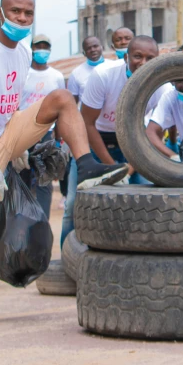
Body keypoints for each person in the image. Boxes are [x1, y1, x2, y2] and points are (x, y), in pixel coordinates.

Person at [0, 0, 127, 324]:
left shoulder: (22, 53)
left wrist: (20, 147)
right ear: (0, 13)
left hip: (7, 132)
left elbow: (12, 104)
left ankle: (87, 166)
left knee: (62, 97)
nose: (22, 18)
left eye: (28, 13)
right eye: (15, 11)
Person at [81, 35, 169, 184]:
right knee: (75, 202)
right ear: (126, 57)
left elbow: (156, 132)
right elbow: (87, 123)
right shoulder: (103, 75)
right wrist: (113, 169)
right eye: (137, 56)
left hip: (135, 143)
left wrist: (131, 167)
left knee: (147, 196)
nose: (143, 63)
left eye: (150, 58)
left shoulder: (162, 88)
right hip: (97, 140)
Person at [60, 36, 108, 238]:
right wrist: (68, 140)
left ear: (102, 47)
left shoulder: (112, 70)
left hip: (109, 137)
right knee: (72, 202)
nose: (93, 50)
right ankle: (66, 254)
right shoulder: (77, 74)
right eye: (88, 48)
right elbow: (71, 108)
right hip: (83, 141)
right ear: (84, 52)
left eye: (96, 45)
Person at [18, 33, 66, 219]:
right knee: (21, 179)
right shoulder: (23, 74)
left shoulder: (56, 76)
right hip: (23, 133)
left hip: (47, 134)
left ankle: (41, 223)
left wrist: (59, 140)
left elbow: (61, 108)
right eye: (38, 47)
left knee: (44, 182)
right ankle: (20, 221)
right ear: (32, 49)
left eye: (45, 47)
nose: (42, 50)